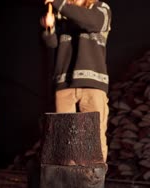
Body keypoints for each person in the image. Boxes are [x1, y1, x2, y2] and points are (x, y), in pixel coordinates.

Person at [40, 0, 112, 162]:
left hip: (92, 84)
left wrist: (60, 4)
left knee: (94, 137)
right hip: (64, 83)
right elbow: (51, 44)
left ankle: (92, 183)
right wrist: (49, 28)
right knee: (64, 139)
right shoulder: (61, 13)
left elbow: (90, 21)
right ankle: (69, 182)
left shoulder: (101, 9)